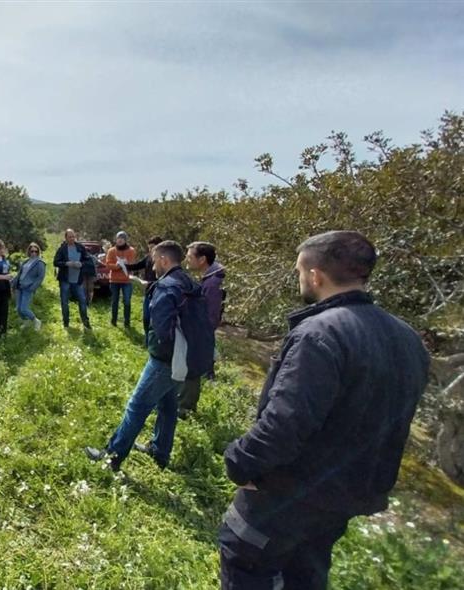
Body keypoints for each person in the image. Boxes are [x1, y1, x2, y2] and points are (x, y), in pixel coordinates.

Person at [218, 231, 429, 590]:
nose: (300, 278)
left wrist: (239, 461)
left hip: (287, 494)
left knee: (247, 564)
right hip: (344, 496)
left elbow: (285, 423)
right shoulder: (408, 338)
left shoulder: (319, 334)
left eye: (300, 271)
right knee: (305, 575)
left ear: (315, 275)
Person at [84, 241, 201, 471]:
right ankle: (160, 452)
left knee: (136, 406)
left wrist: (158, 349)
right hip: (184, 357)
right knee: (167, 406)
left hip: (165, 361)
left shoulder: (166, 286)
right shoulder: (189, 283)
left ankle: (112, 457)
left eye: (155, 260)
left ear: (164, 260)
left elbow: (162, 330)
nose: (153, 265)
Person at [179, 241, 226, 418]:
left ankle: (185, 408)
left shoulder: (213, 283)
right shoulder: (210, 278)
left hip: (200, 332)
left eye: (190, 256)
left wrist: (197, 331)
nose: (187, 260)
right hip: (200, 330)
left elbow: (211, 315)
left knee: (192, 368)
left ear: (202, 259)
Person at [52, 229, 92, 330]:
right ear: (66, 238)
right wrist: (66, 263)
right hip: (65, 280)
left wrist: (81, 264)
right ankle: (66, 323)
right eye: (70, 237)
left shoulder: (80, 247)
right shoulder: (62, 249)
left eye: (73, 236)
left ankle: (86, 323)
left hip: (78, 280)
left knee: (82, 301)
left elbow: (88, 261)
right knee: (64, 302)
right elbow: (55, 262)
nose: (72, 239)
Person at [126, 235, 164, 340]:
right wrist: (124, 265)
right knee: (146, 318)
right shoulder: (148, 257)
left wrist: (147, 283)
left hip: (158, 293)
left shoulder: (163, 261)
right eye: (149, 247)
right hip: (148, 292)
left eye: (153, 247)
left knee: (154, 319)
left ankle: (154, 341)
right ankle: (148, 341)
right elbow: (137, 265)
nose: (150, 250)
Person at [106, 231, 137, 327]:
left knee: (127, 301)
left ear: (125, 240)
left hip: (127, 280)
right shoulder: (111, 251)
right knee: (114, 301)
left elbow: (132, 264)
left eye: (122, 238)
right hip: (114, 280)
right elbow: (108, 264)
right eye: (118, 238)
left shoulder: (131, 250)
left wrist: (125, 264)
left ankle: (127, 322)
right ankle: (113, 321)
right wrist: (117, 266)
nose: (120, 240)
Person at [14, 242, 46, 330]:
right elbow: (20, 274)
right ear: (29, 251)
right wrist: (13, 282)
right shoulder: (26, 261)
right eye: (32, 251)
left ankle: (36, 321)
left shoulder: (40, 263)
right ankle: (26, 322)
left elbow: (40, 277)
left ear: (38, 252)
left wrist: (32, 288)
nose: (34, 253)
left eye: (36, 251)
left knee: (24, 308)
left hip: (28, 288)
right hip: (19, 286)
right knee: (18, 309)